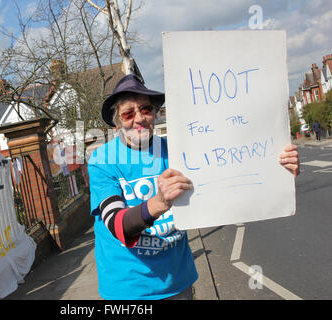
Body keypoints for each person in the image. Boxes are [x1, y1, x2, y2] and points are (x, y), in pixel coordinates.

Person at [87, 74, 300, 300]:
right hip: (128, 289)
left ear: (156, 113)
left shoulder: (177, 150)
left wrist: (278, 171)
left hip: (179, 282)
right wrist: (159, 202)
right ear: (117, 122)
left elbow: (231, 177)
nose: (139, 118)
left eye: (146, 109)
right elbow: (117, 226)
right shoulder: (102, 160)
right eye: (128, 114)